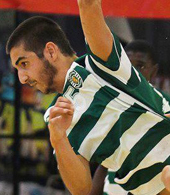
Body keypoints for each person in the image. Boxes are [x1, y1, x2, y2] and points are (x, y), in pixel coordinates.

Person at [6, 1, 170, 194]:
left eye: (24, 63)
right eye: (17, 69)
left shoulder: (100, 63)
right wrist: (58, 139)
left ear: (51, 51)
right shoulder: (55, 117)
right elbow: (81, 189)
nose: (22, 78)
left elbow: (88, 4)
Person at [89, 40, 170, 195]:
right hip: (113, 189)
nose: (132, 71)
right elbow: (105, 161)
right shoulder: (112, 102)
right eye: (128, 65)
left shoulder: (165, 105)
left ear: (154, 71)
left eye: (140, 66)